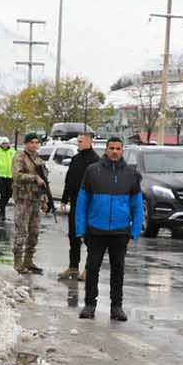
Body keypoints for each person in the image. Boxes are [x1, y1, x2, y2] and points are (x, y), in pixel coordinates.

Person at [74, 137, 142, 322]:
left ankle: (116, 307)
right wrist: (81, 229)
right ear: (105, 149)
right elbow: (82, 202)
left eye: (118, 148)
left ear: (122, 150)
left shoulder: (131, 174)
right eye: (111, 148)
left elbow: (137, 204)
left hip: (120, 231)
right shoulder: (92, 171)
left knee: (118, 269)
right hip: (96, 230)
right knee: (92, 268)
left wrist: (135, 229)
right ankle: (89, 304)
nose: (114, 151)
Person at [58, 132, 98, 282]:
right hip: (75, 202)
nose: (79, 144)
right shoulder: (75, 159)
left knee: (89, 238)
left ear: (89, 141)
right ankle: (73, 267)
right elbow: (69, 181)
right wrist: (64, 199)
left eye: (81, 141)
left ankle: (89, 269)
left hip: (89, 204)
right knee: (73, 236)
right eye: (78, 141)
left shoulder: (95, 161)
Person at [10, 133, 52, 275]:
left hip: (35, 199)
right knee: (21, 231)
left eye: (36, 142)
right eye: (32, 142)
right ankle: (18, 261)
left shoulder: (38, 160)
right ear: (26, 143)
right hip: (23, 199)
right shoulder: (19, 157)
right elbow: (17, 176)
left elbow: (44, 183)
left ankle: (28, 260)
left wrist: (45, 200)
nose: (34, 145)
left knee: (34, 233)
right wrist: (33, 177)